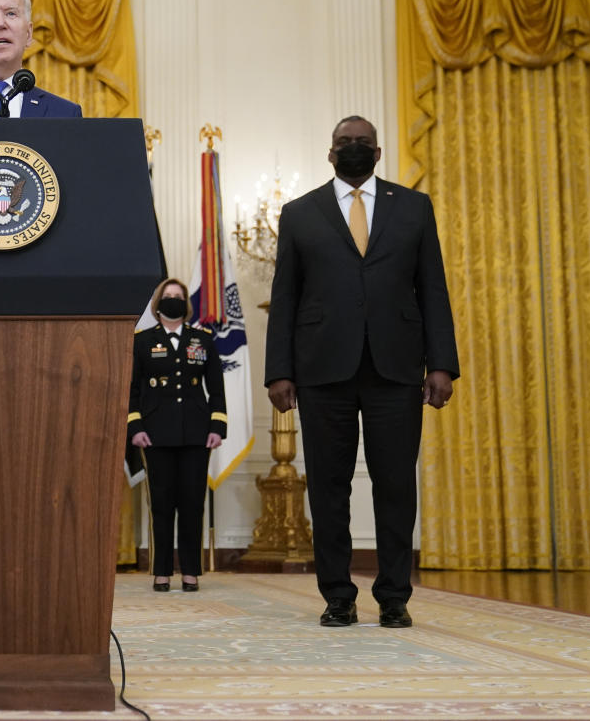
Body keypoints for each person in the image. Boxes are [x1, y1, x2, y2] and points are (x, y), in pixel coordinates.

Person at [264, 115, 459, 629]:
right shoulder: (299, 213)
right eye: (343, 143)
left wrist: (441, 363)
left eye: (362, 143)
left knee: (395, 484)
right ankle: (338, 596)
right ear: (330, 154)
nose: (352, 149)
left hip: (396, 368)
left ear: (378, 153)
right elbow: (285, 297)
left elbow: (432, 289)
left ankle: (394, 597)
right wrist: (278, 371)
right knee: (329, 487)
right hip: (320, 369)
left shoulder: (414, 207)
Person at [128, 278, 227, 593]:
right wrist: (135, 427)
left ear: (186, 304)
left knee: (192, 503)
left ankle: (191, 571)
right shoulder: (142, 341)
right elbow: (132, 391)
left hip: (197, 435)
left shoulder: (203, 339)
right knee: (161, 504)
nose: (173, 300)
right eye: (167, 296)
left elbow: (217, 390)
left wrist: (217, 427)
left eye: (178, 297)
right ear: (158, 304)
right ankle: (161, 571)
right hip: (155, 434)